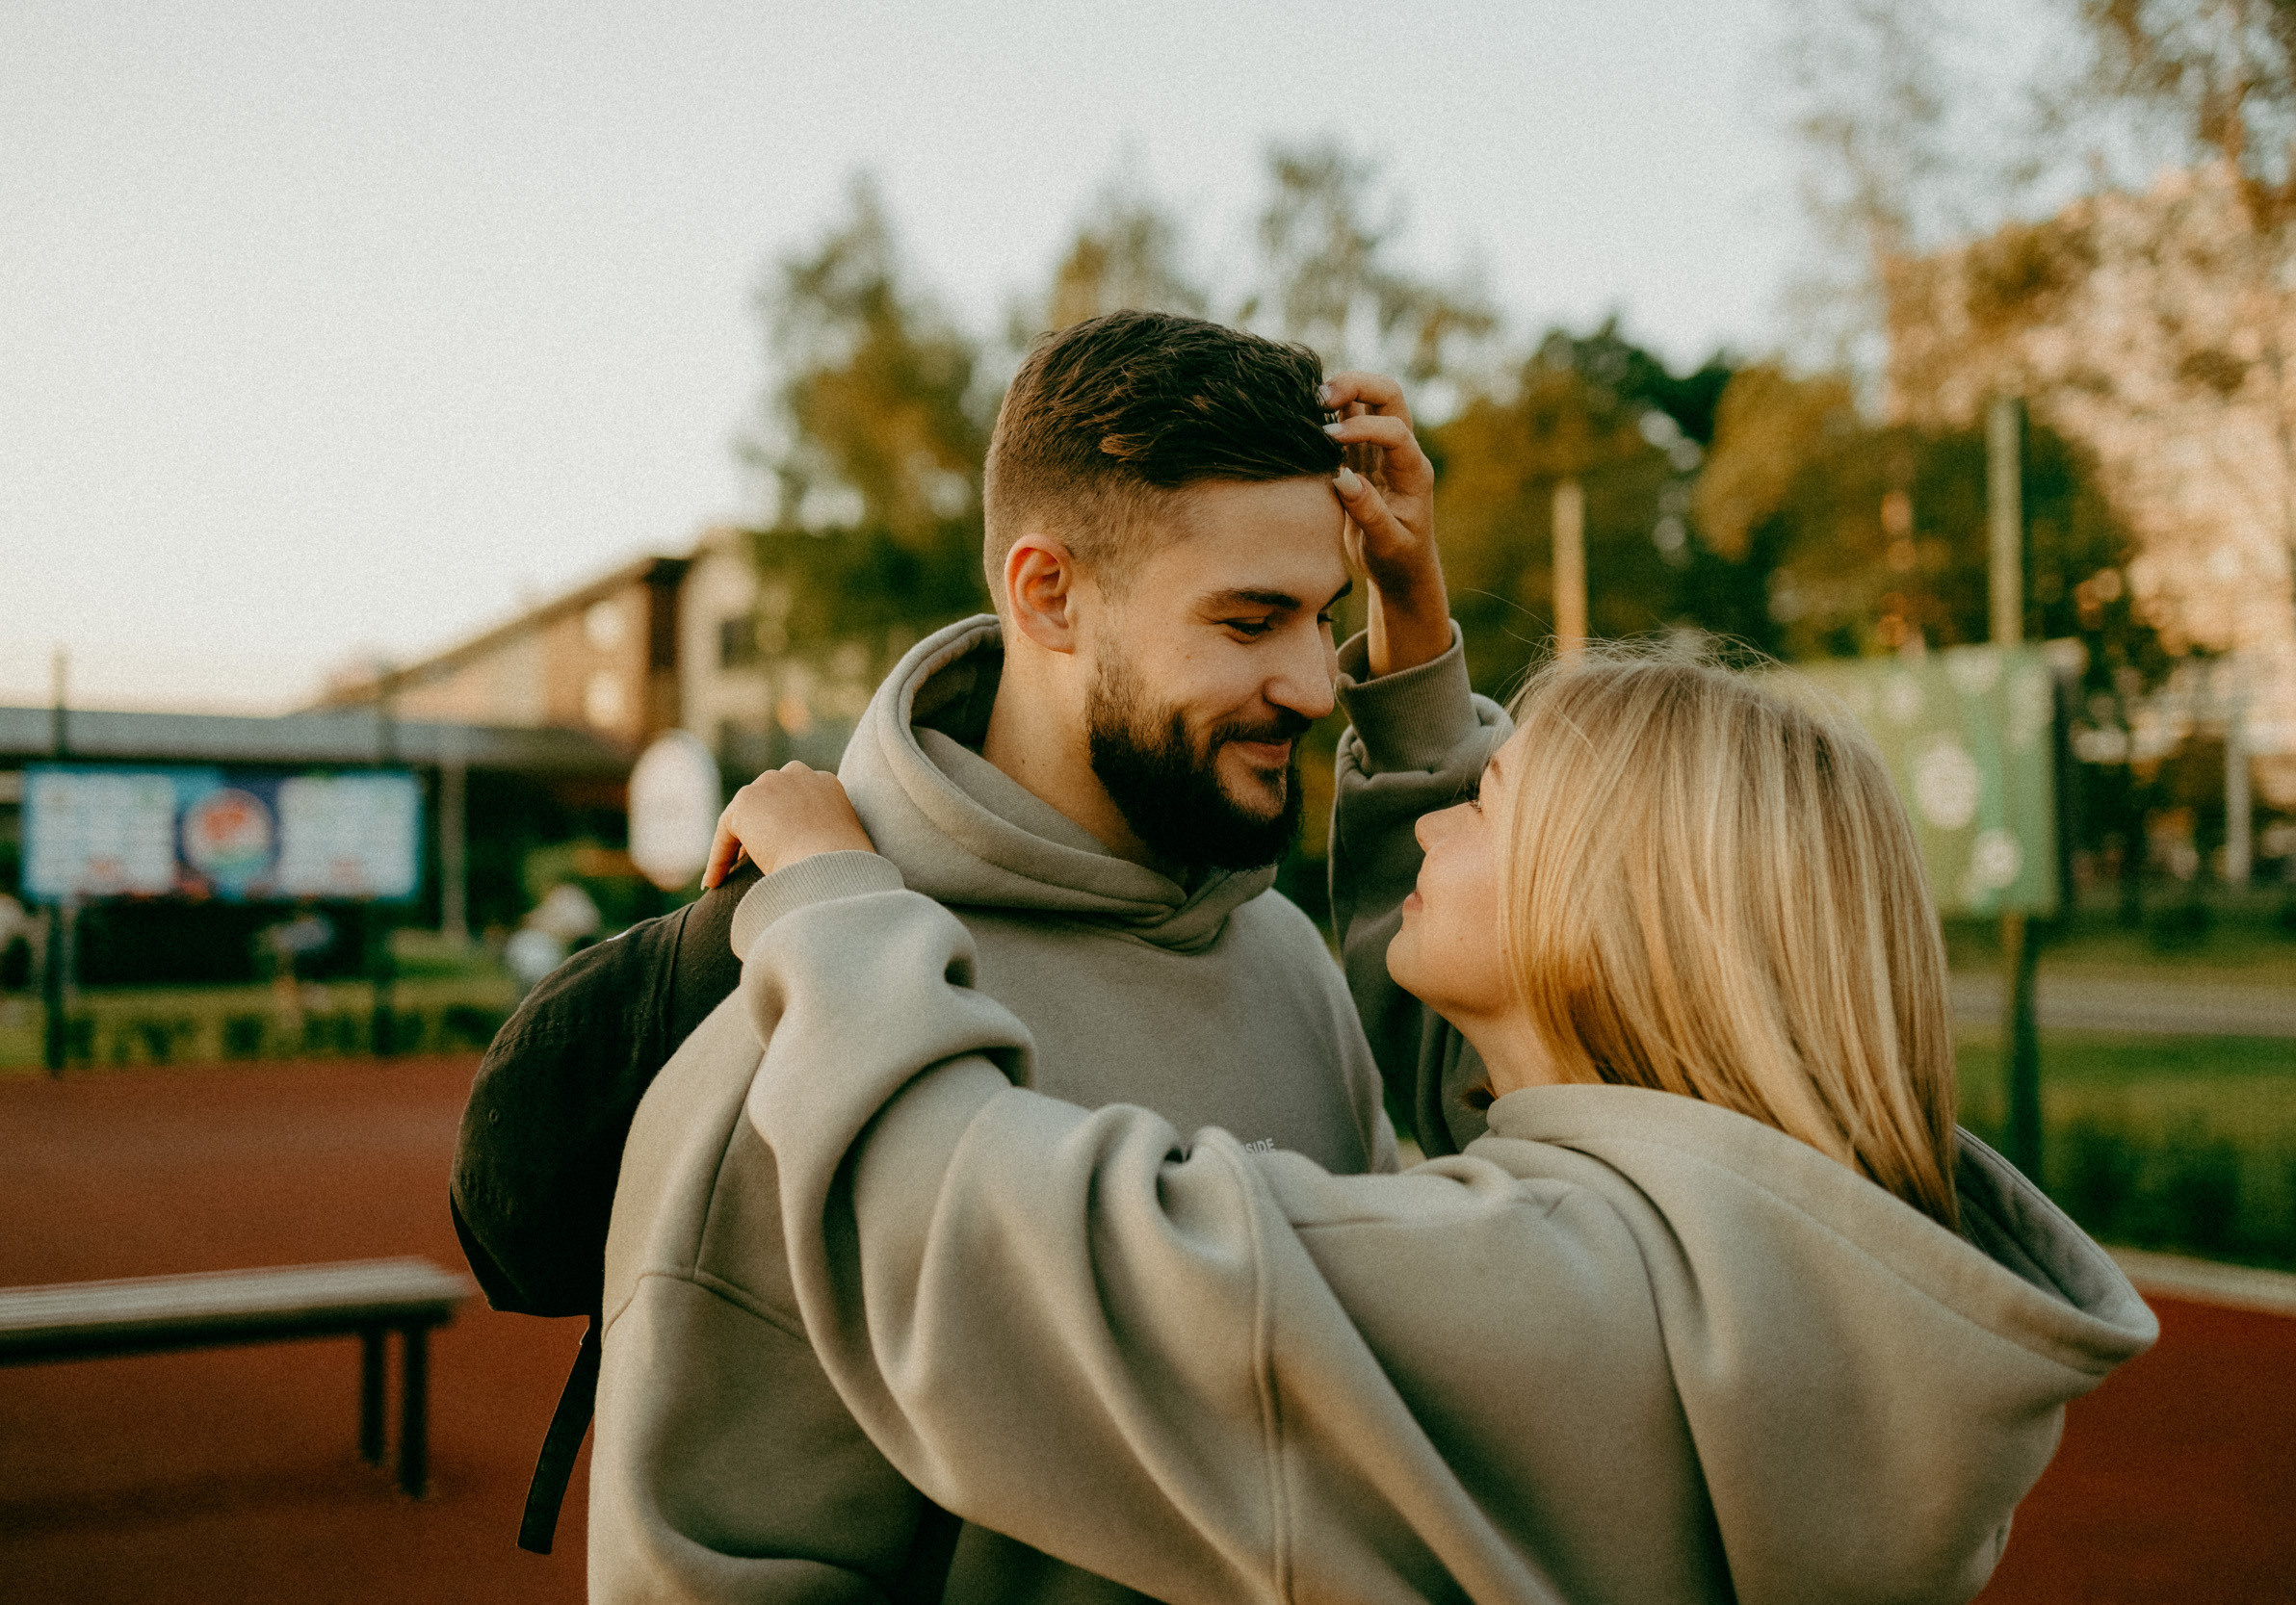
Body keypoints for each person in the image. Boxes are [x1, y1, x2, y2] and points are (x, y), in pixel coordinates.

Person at [691, 375, 2160, 1602]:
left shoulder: (1543, 1298)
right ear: (1045, 596)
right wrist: (1410, 635)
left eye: (1491, 799)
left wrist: (837, 915)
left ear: (1619, 925)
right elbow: (1519, 1090)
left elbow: (996, 1254)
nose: (1428, 806)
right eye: (1252, 619)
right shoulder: (1780, 1284)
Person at [587, 312, 1410, 1602]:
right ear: (1048, 595)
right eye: (1253, 622)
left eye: (1323, 616)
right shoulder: (796, 1016)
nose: (1316, 683)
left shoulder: (1289, 959)